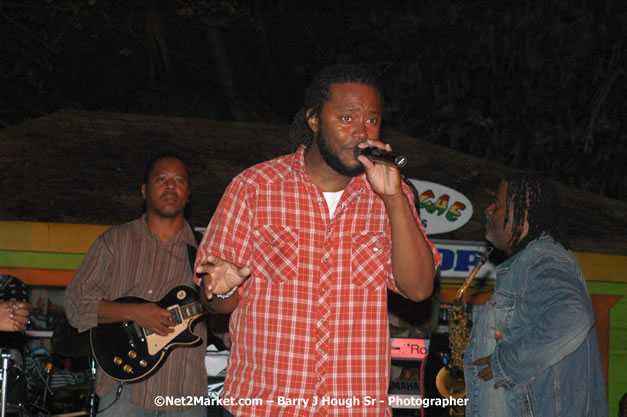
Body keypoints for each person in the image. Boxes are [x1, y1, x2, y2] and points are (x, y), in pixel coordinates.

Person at [195, 64, 442, 417]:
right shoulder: (254, 188)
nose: (361, 132)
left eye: (371, 120)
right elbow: (216, 302)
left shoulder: (391, 198)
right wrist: (220, 288)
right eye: (346, 118)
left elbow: (419, 289)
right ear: (313, 120)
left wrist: (393, 198)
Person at [64, 154, 207, 417]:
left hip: (184, 390)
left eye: (179, 181)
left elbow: (226, 323)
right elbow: (75, 306)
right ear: (144, 190)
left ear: (188, 194)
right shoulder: (113, 242)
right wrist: (134, 312)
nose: (170, 186)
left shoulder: (206, 252)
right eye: (161, 179)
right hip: (123, 387)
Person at [463, 172, 608, 417]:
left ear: (524, 212)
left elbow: (574, 315)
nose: (488, 210)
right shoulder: (531, 261)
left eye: (498, 205)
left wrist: (506, 364)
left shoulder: (541, 257)